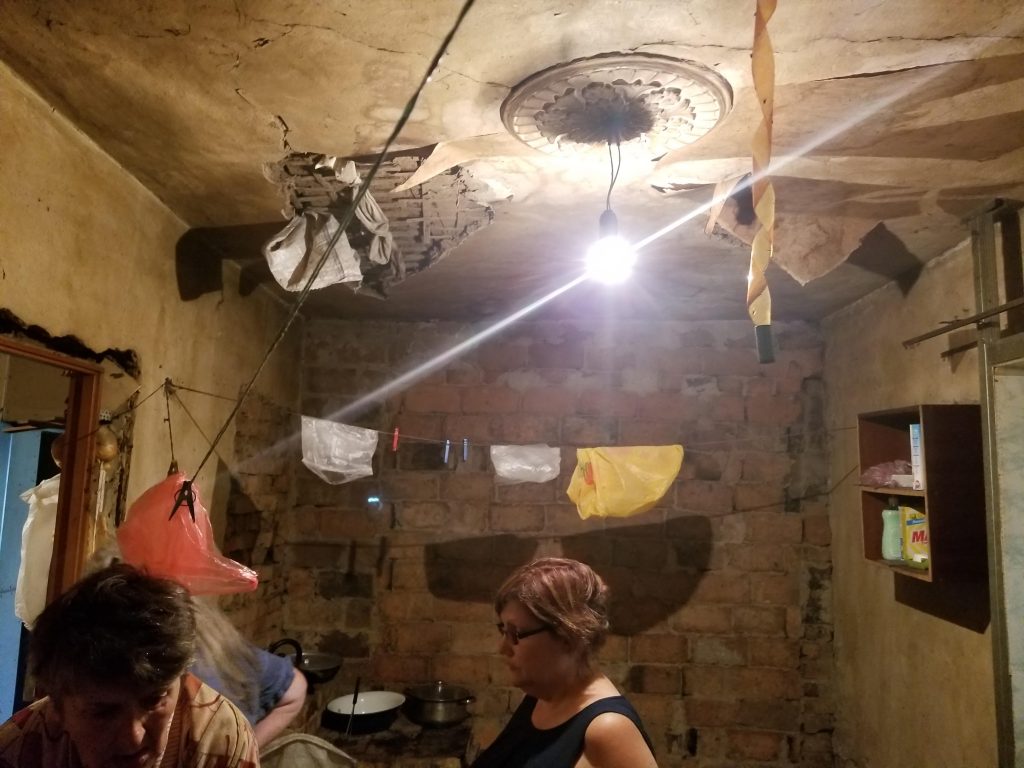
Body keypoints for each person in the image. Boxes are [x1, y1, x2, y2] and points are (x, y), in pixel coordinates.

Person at [0, 563, 259, 768]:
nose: (134, 738)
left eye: (154, 700)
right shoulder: (16, 752)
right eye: (103, 712)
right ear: (57, 708)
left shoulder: (222, 741)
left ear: (181, 680)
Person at [472, 557, 658, 768]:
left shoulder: (609, 729)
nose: (503, 648)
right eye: (503, 631)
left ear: (568, 635)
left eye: (516, 633)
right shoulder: (542, 696)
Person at [189, 598, 307, 748]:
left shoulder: (205, 652)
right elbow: (295, 688)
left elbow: (295, 687)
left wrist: (247, 750)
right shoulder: (210, 639)